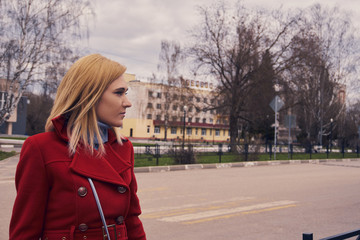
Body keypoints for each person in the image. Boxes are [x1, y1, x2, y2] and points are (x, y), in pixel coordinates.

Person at [9, 54, 146, 240]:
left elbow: (131, 220)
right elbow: (25, 232)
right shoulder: (41, 148)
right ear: (90, 95)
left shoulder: (123, 147)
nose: (127, 102)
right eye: (119, 93)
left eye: (126, 93)